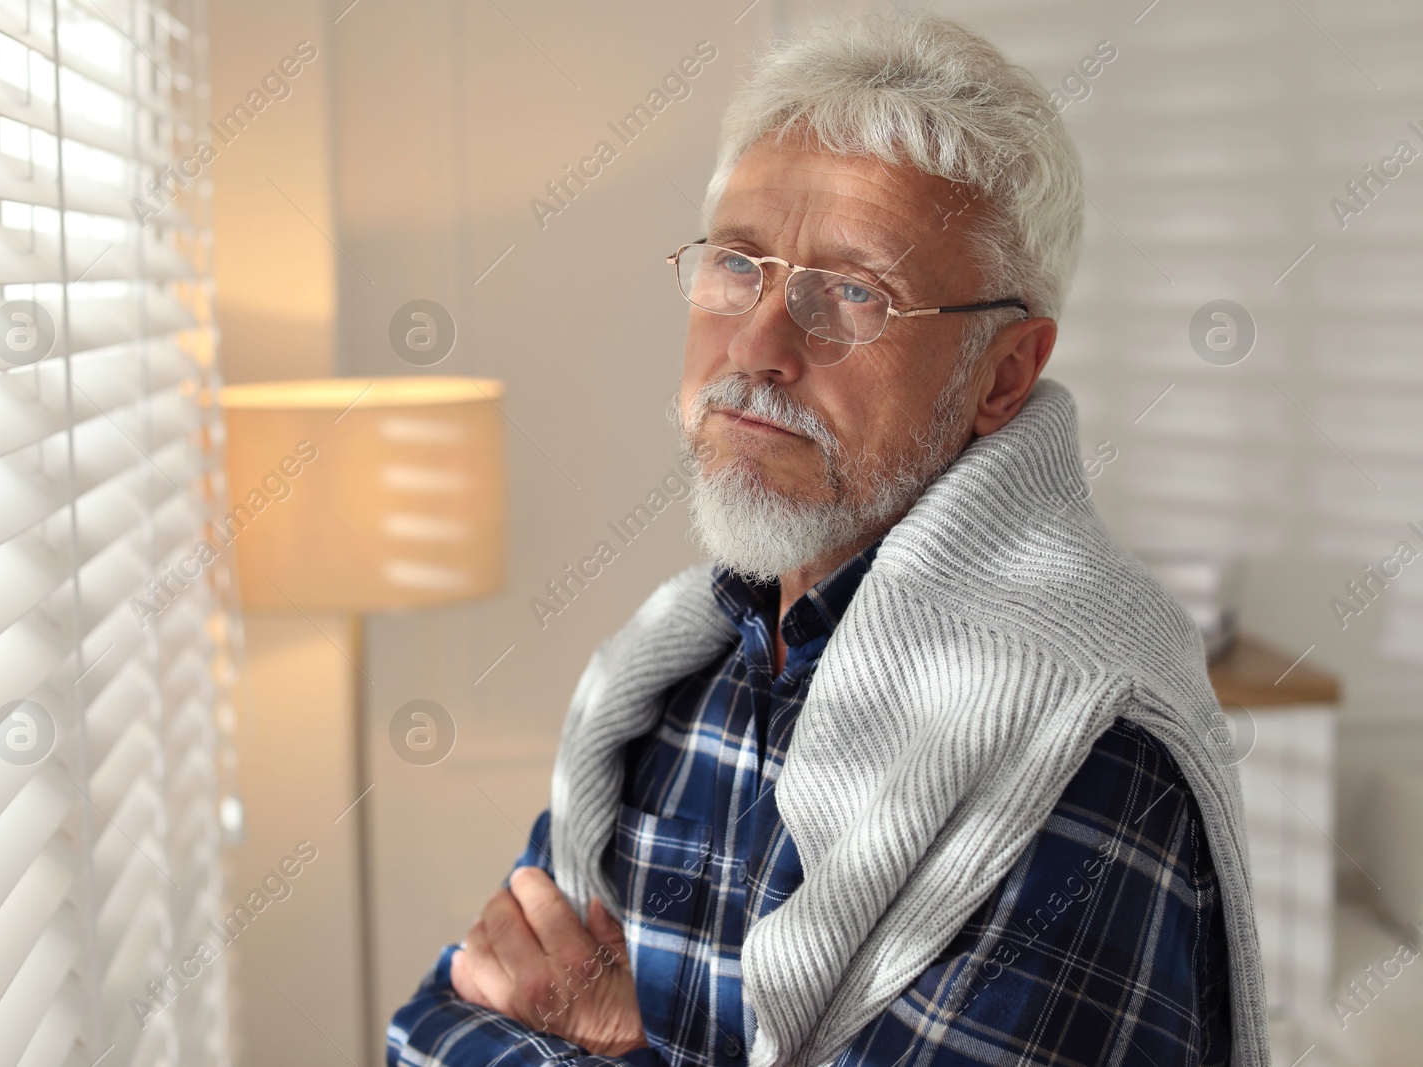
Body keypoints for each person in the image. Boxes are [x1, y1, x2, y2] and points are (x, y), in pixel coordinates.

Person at [388, 11, 1267, 1066]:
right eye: (735, 264)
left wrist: (600, 1043)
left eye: (854, 292)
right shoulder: (670, 670)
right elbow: (427, 1028)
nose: (757, 345)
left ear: (1001, 374)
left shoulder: (1075, 739)